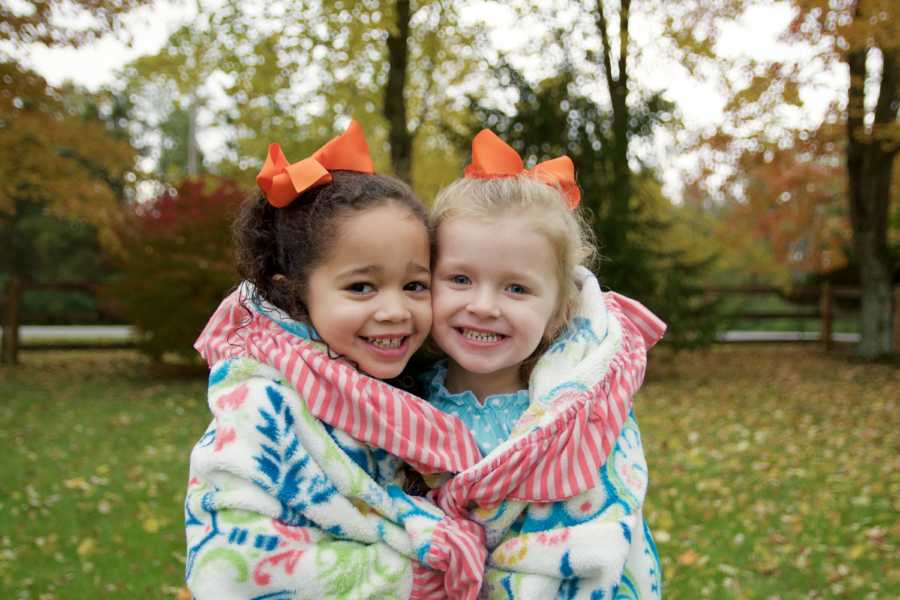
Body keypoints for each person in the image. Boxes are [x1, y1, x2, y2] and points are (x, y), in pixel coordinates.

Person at [184, 121, 486, 599]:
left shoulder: (407, 390)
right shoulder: (259, 401)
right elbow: (232, 567)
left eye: (414, 285)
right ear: (295, 293)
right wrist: (423, 576)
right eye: (361, 287)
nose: (394, 311)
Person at [422, 129, 667, 598]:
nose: (484, 306)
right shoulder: (395, 400)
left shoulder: (580, 419)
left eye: (516, 288)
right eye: (459, 279)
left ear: (558, 309)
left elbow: (608, 531)